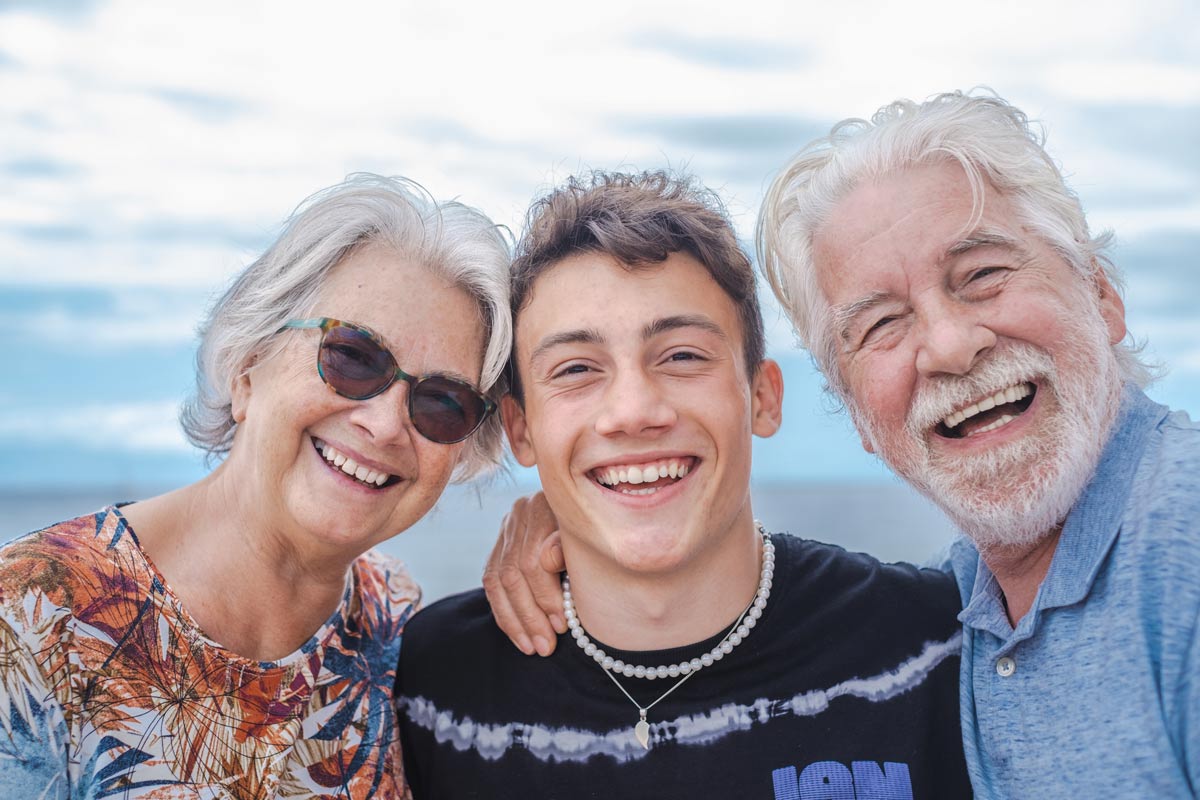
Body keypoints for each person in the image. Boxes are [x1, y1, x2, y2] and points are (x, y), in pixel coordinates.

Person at [396, 171, 971, 798]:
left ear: (762, 397)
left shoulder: (934, 646)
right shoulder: (431, 689)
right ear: (521, 428)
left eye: (682, 356)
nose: (634, 410)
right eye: (576, 369)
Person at [0, 174, 511, 799]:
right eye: (353, 357)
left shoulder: (395, 623)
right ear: (247, 368)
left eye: (442, 403)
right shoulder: (32, 617)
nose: (383, 425)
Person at [755, 90, 1199, 797]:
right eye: (883, 325)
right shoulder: (951, 612)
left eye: (983, 275)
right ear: (857, 415)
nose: (951, 347)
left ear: (1102, 293)